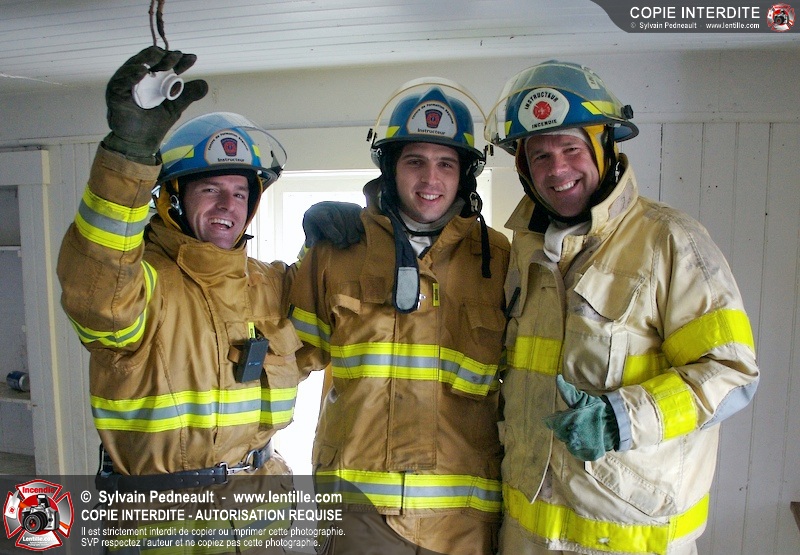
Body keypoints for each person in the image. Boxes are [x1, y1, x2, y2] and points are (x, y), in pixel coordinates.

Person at [484, 60, 760, 555]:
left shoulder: (670, 241)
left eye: (571, 149)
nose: (557, 169)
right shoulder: (523, 250)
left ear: (606, 147)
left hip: (628, 539)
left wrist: (622, 419)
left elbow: (730, 372)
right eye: (540, 155)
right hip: (525, 536)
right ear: (523, 168)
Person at [56, 46, 310, 551]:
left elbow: (340, 320)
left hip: (263, 518)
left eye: (240, 193)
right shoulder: (142, 281)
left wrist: (358, 236)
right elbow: (98, 285)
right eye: (210, 190)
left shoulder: (272, 285)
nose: (227, 206)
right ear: (173, 197)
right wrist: (128, 156)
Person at [290, 78, 511, 554]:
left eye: (446, 164)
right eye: (415, 161)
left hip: (461, 527)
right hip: (358, 517)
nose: (430, 179)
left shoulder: (498, 260)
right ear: (390, 168)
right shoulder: (337, 249)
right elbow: (282, 355)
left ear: (465, 175)